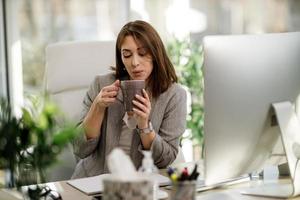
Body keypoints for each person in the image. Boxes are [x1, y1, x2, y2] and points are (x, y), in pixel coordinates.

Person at [71, 20, 187, 178]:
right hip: (93, 181)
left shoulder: (174, 95)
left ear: (155, 53)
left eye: (142, 53)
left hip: (140, 185)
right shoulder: (101, 84)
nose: (134, 62)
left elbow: (164, 160)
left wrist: (144, 125)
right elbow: (79, 149)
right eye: (127, 54)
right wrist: (98, 107)